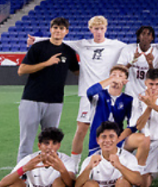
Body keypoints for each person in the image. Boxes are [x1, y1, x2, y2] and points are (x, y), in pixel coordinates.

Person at [28, 15, 126, 167]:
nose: (99, 32)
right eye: (96, 29)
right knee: (81, 130)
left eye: (101, 28)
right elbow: (61, 41)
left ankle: (112, 163)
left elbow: (134, 48)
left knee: (111, 130)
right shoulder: (83, 44)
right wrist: (36, 40)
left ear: (106, 29)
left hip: (108, 95)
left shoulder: (116, 45)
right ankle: (74, 165)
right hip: (87, 96)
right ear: (90, 29)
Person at [16, 17, 79, 162]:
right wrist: (46, 63)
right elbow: (22, 70)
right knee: (26, 140)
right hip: (32, 99)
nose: (58, 31)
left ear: (66, 32)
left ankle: (48, 170)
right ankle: (22, 172)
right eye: (55, 27)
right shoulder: (38, 47)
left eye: (61, 28)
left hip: (55, 101)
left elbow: (77, 71)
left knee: (51, 142)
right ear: (50, 29)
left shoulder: (68, 51)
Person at [85, 65, 134, 156]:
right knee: (95, 163)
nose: (116, 78)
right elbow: (90, 92)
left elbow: (132, 124)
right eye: (113, 75)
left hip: (117, 141)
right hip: (96, 142)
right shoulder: (99, 95)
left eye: (120, 76)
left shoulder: (128, 100)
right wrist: (111, 80)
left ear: (125, 81)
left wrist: (119, 139)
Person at [118, 24, 158, 101]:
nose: (145, 36)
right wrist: (132, 61)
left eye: (148, 34)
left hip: (148, 94)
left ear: (152, 38)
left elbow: (155, 77)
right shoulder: (128, 49)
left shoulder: (156, 52)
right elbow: (120, 71)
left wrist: (150, 63)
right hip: (130, 93)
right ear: (138, 36)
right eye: (143, 33)